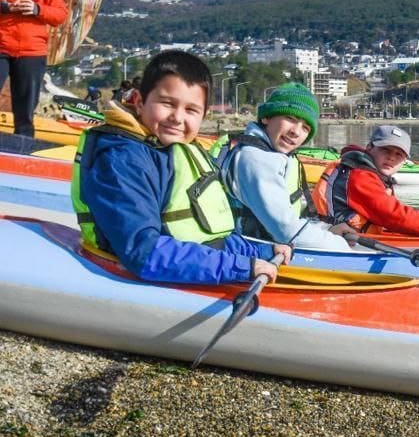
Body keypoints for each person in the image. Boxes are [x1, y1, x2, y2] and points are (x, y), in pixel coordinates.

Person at [71, 50, 290, 284]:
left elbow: (211, 237)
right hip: (134, 274)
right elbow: (142, 251)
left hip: (190, 265)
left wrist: (261, 252)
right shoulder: (122, 158)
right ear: (138, 101)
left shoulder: (171, 148)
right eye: (167, 103)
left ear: (204, 115)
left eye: (191, 110)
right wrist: (240, 267)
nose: (177, 117)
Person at [219, 83, 351, 251]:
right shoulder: (256, 159)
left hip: (269, 244)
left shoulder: (272, 154)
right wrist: (343, 246)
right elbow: (286, 231)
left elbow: (289, 220)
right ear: (267, 117)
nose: (296, 132)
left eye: (305, 128)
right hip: (250, 253)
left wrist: (328, 229)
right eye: (291, 119)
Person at [313, 124, 419, 236]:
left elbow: (392, 213)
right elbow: (395, 216)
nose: (391, 158)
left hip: (348, 234)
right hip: (338, 240)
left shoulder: (368, 172)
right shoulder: (359, 175)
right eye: (385, 150)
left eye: (398, 154)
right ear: (369, 148)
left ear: (404, 161)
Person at [0, 0, 68, 137]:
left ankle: (23, 156)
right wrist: (3, 6)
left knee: (25, 111)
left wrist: (38, 10)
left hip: (31, 50)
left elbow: (60, 14)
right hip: (1, 43)